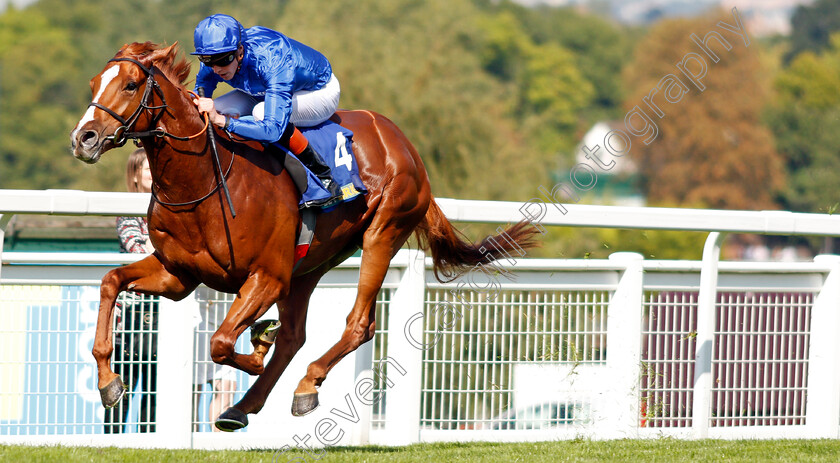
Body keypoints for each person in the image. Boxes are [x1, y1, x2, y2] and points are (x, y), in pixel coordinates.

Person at [191, 13, 343, 208]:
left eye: (223, 60)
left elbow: (273, 129)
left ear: (240, 50)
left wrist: (223, 121)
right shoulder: (217, 61)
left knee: (261, 114)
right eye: (208, 60)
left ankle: (323, 177)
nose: (216, 68)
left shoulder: (271, 58)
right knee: (208, 112)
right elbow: (199, 98)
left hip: (318, 91)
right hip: (261, 90)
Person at [104, 148, 158, 433]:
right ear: (135, 175)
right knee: (122, 387)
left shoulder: (169, 208)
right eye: (146, 167)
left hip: (162, 311)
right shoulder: (127, 213)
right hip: (132, 316)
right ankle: (110, 443)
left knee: (154, 391)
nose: (152, 172)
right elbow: (139, 254)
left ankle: (151, 444)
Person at [192, 287, 238, 432]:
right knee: (193, 388)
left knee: (227, 387)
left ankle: (219, 442)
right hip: (198, 322)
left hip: (226, 327)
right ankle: (190, 443)